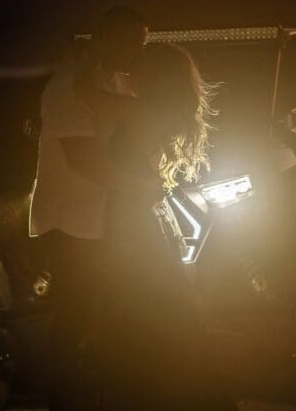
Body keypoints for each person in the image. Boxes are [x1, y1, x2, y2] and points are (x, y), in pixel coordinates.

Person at [76, 42, 221, 410]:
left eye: (137, 64)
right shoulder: (156, 110)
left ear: (153, 75)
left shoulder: (135, 108)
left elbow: (82, 92)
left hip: (134, 219)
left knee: (137, 309)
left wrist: (91, 58)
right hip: (148, 216)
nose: (130, 69)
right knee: (160, 311)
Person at [28, 6, 149, 411]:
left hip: (103, 217)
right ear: (106, 39)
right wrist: (146, 186)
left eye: (143, 45)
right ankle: (63, 400)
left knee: (105, 310)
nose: (138, 53)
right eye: (132, 44)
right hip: (71, 217)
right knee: (75, 315)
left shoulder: (114, 83)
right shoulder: (65, 86)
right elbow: (85, 160)